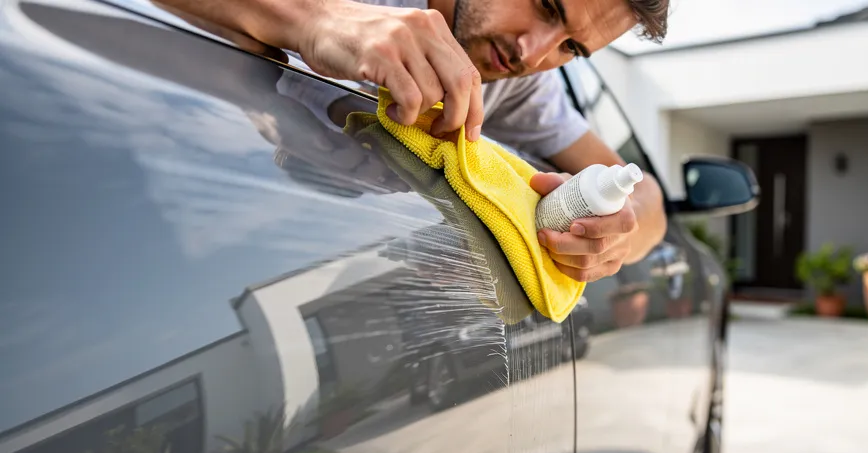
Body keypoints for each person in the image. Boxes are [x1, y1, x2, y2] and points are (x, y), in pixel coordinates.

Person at [156, 0, 670, 283]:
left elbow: (645, 197)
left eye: (571, 47)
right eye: (545, 5)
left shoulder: (518, 85)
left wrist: (616, 239)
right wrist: (312, 20)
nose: (532, 54)